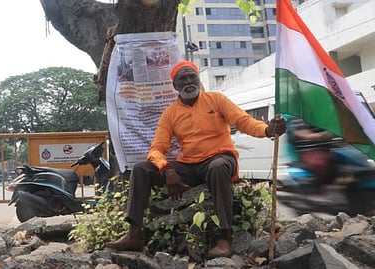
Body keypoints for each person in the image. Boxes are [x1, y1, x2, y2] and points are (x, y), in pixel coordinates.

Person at [106, 60, 286, 258]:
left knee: (217, 166)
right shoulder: (170, 114)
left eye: (193, 76)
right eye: (183, 78)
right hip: (190, 166)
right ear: (175, 85)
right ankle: (134, 235)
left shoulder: (216, 99)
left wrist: (267, 130)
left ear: (199, 80)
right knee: (141, 169)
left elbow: (243, 121)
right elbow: (157, 148)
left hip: (220, 158)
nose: (189, 81)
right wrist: (167, 169)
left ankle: (225, 238)